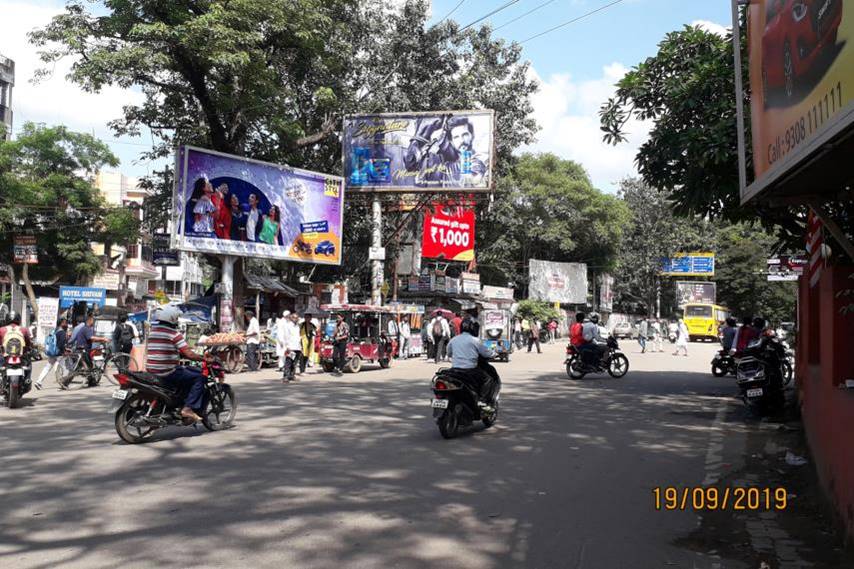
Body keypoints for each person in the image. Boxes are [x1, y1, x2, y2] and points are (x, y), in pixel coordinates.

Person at [145, 305, 210, 423]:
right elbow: (189, 354)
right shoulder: (173, 334)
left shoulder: (153, 332)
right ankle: (187, 408)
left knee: (188, 371)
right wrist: (203, 359)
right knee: (199, 377)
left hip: (151, 369)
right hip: (167, 372)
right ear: (172, 319)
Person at [445, 317, 499, 405]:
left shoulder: (454, 340)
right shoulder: (475, 340)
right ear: (473, 328)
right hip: (470, 370)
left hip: (454, 370)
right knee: (488, 379)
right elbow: (487, 353)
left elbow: (449, 353)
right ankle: (482, 401)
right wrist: (494, 353)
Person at [64, 315, 109, 388]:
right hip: (83, 350)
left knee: (85, 367)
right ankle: (66, 382)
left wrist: (100, 340)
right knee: (87, 367)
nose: (94, 322)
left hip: (82, 349)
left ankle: (91, 382)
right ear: (90, 320)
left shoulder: (85, 328)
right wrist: (103, 339)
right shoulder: (87, 329)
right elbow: (91, 338)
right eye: (93, 320)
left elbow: (90, 339)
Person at [0, 313, 34, 395]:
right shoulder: (24, 329)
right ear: (18, 319)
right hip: (20, 355)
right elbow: (28, 343)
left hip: (5, 356)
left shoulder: (2, 329)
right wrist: (29, 349)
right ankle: (27, 379)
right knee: (29, 364)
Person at [35, 317, 69, 390]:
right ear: (61, 323)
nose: (66, 324)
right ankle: (63, 383)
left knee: (47, 367)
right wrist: (64, 351)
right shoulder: (62, 332)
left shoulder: (54, 331)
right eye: (65, 322)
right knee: (63, 367)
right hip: (59, 353)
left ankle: (38, 382)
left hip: (52, 352)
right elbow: (61, 344)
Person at [282, 312, 302, 382]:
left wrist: (300, 347)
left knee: (295, 363)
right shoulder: (288, 326)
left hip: (297, 347)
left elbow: (298, 337)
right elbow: (286, 336)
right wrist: (287, 346)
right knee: (288, 362)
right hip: (290, 347)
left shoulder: (297, 326)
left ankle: (292, 375)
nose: (295, 319)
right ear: (291, 318)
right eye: (294, 318)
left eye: (297, 318)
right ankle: (286, 376)